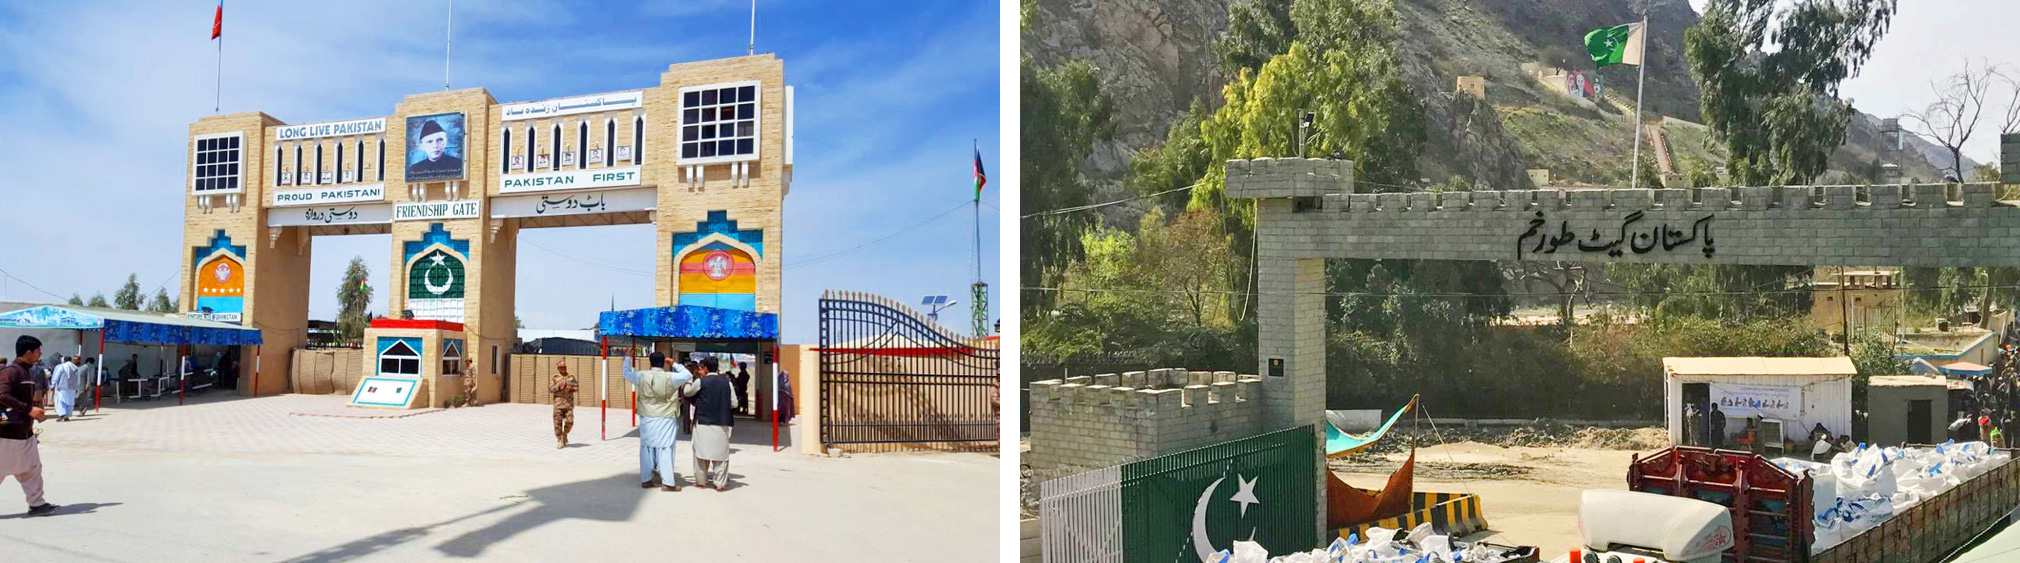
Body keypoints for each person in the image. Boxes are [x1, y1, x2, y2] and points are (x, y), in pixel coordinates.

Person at [0, 336, 58, 516]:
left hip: (24, 431)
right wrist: (28, 409)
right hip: (7, 432)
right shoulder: (11, 372)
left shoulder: (27, 372)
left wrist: (34, 409)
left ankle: (37, 504)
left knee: (32, 468)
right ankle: (36, 503)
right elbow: (2, 395)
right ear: (28, 353)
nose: (40, 353)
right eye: (38, 350)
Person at [624, 353, 692, 491]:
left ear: (650, 362)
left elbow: (626, 373)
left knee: (646, 447)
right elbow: (688, 375)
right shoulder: (671, 377)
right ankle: (667, 482)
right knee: (666, 448)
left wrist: (627, 359)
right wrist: (674, 364)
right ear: (663, 363)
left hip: (647, 416)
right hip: (666, 417)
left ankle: (646, 479)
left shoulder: (641, 376)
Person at [684, 357, 738, 490]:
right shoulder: (727, 383)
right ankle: (719, 484)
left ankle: (701, 482)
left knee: (700, 454)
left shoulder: (700, 382)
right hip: (722, 422)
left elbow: (687, 392)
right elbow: (734, 403)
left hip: (703, 422)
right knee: (721, 455)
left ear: (706, 368)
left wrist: (688, 382)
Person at [550, 362, 579, 449]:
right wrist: (558, 386)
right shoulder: (555, 378)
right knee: (557, 423)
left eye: (564, 367)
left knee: (570, 421)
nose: (563, 368)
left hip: (568, 404)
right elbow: (551, 389)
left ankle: (565, 434)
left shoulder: (571, 378)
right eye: (561, 367)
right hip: (558, 405)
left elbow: (577, 387)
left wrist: (572, 389)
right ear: (558, 368)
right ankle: (560, 439)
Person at [49, 355, 83, 422]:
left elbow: (56, 376)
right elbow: (78, 379)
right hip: (72, 388)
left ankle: (62, 415)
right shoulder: (75, 367)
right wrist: (77, 387)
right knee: (70, 402)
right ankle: (67, 416)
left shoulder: (61, 367)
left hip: (62, 387)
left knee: (61, 401)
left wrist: (52, 385)